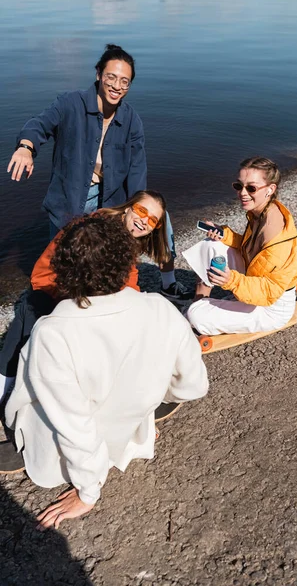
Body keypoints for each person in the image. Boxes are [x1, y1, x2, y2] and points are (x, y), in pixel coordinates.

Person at [2, 214, 209, 529]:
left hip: (63, 458)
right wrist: (148, 398)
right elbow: (194, 386)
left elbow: (73, 426)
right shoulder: (160, 309)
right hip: (126, 432)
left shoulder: (54, 331)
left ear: (65, 271)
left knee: (22, 397)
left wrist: (88, 491)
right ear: (128, 263)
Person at [6, 43, 191, 304]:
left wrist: (139, 209)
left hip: (111, 199)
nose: (117, 86)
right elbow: (40, 124)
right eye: (111, 77)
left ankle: (168, 282)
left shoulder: (131, 120)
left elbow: (138, 168)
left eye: (124, 81)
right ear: (98, 75)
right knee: (62, 266)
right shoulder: (70, 103)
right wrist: (26, 147)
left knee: (159, 217)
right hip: (69, 199)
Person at [0, 190, 170, 402]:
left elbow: (129, 281)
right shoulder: (92, 230)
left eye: (153, 220)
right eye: (141, 211)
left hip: (85, 302)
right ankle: (9, 384)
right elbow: (47, 272)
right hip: (56, 293)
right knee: (32, 314)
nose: (144, 221)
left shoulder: (128, 240)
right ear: (128, 207)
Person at [183, 156, 297, 335]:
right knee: (212, 245)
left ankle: (201, 312)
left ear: (270, 189)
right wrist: (224, 234)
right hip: (256, 281)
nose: (242, 193)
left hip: (271, 306)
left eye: (251, 188)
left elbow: (269, 291)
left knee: (195, 314)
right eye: (239, 186)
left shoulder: (276, 234)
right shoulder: (260, 212)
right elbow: (252, 249)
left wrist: (232, 281)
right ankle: (202, 298)